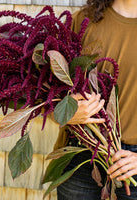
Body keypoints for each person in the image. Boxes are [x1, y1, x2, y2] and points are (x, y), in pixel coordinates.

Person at [54, 0, 137, 199]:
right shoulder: (83, 21)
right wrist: (66, 113)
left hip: (133, 162)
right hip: (80, 150)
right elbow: (49, 90)